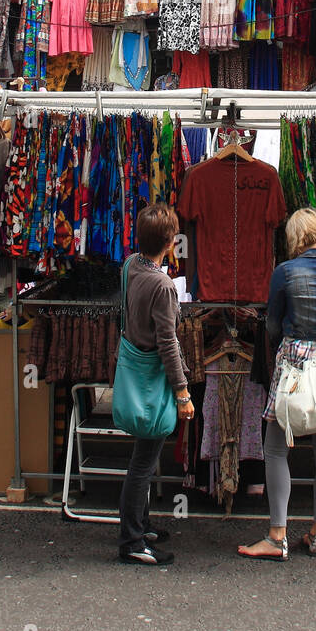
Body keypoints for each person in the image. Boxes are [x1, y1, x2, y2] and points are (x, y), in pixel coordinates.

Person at [238, 208, 316, 560]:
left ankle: (277, 537)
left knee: (276, 447)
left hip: (295, 363)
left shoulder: (285, 273)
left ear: (294, 239)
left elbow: (273, 324)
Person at [117, 204, 194, 567]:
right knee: (143, 463)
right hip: (153, 376)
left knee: (141, 456)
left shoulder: (132, 265)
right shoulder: (162, 286)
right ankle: (132, 540)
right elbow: (168, 342)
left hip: (134, 365)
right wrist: (182, 391)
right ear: (168, 242)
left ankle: (142, 526)